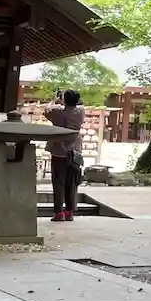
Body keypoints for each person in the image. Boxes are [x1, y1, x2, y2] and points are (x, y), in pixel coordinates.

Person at [45, 89, 85, 223]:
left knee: (58, 182)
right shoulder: (81, 112)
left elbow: (47, 110)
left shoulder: (57, 113)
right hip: (74, 152)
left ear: (64, 100)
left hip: (59, 151)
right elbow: (79, 105)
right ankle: (69, 212)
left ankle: (59, 213)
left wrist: (55, 100)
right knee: (72, 183)